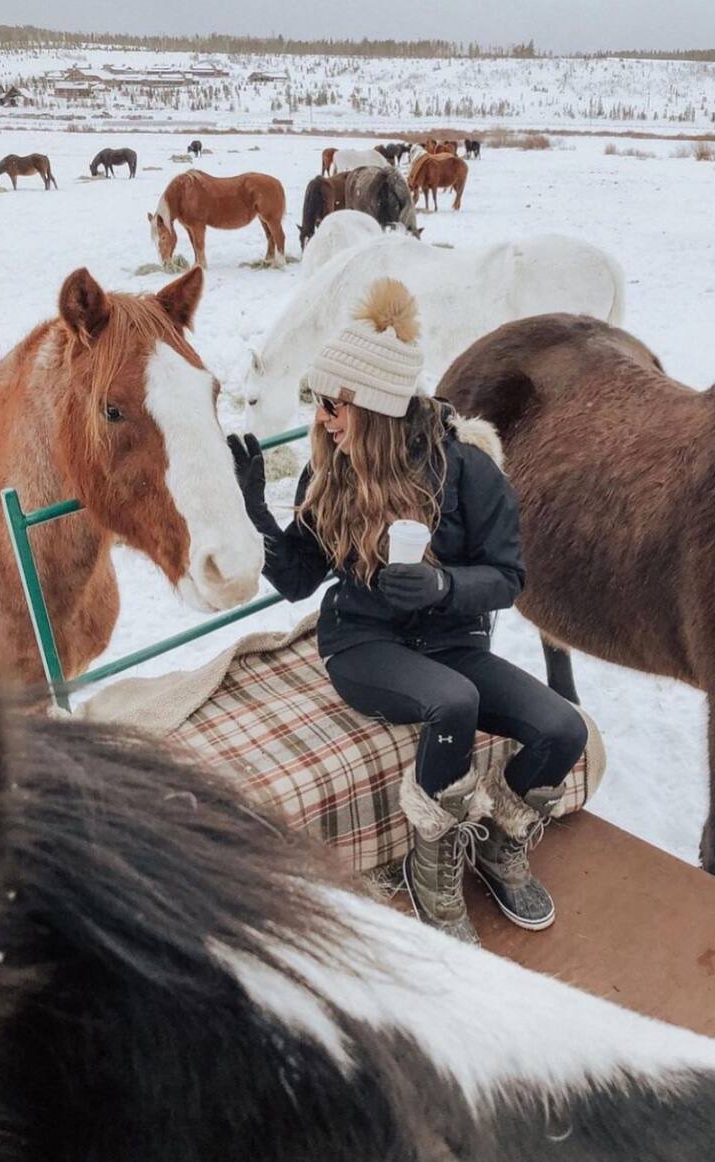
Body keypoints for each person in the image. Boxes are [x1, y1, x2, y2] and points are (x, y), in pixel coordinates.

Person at [229, 278, 587, 945]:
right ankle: (432, 870)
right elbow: (297, 581)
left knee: (563, 730)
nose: (324, 418)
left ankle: (500, 841)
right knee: (452, 703)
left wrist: (443, 589)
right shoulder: (328, 473)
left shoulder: (470, 475)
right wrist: (253, 509)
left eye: (336, 403)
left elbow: (509, 577)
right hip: (361, 641)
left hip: (450, 642)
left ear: (377, 407)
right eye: (320, 402)